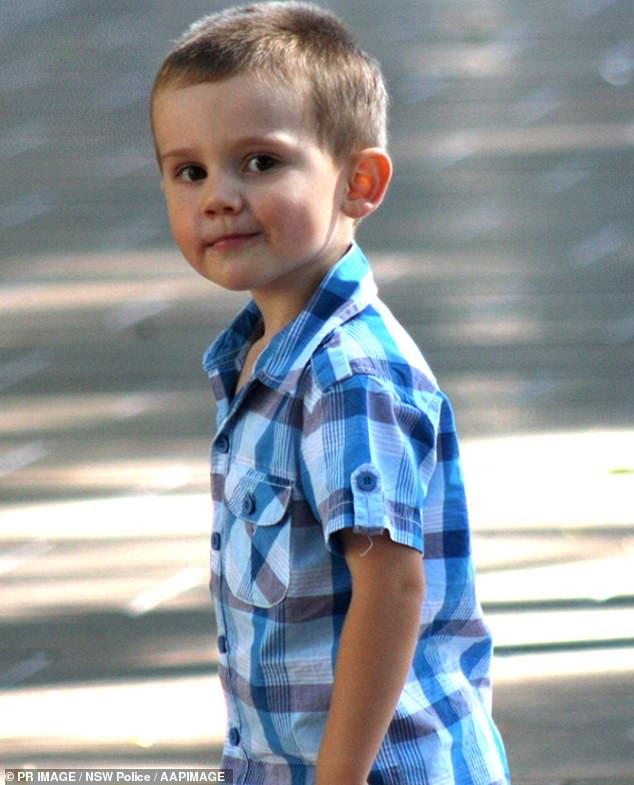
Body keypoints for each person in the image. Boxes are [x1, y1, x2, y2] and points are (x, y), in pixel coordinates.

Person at [150, 2, 511, 783]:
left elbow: (391, 586)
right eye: (190, 171)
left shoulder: (345, 375)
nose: (218, 195)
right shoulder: (260, 356)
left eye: (260, 162)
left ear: (360, 182)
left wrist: (338, 775)